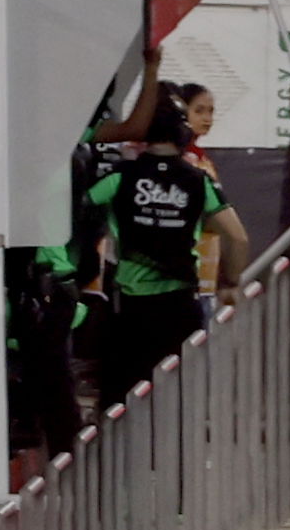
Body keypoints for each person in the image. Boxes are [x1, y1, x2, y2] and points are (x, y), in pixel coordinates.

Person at [76, 66, 239, 406]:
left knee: (120, 400)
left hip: (130, 308)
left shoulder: (120, 178)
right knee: (179, 399)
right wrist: (232, 284)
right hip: (180, 303)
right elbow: (239, 239)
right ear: (182, 131)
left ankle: (118, 460)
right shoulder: (199, 180)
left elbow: (78, 209)